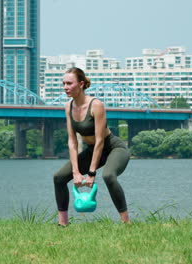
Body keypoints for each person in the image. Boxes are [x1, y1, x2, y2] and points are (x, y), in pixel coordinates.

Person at [53, 67, 131, 226]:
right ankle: (63, 224)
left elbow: (100, 141)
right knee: (59, 178)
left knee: (108, 176)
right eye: (63, 83)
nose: (65, 87)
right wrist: (75, 172)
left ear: (81, 84)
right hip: (91, 150)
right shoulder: (68, 107)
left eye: (69, 83)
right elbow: (72, 141)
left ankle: (126, 223)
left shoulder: (96, 105)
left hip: (113, 148)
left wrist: (91, 173)